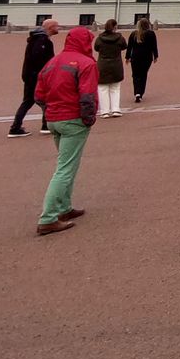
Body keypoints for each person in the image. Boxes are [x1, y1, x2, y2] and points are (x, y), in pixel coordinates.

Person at [33, 25, 97, 235]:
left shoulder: (52, 62)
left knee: (68, 165)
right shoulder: (86, 63)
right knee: (65, 168)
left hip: (54, 119)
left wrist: (50, 111)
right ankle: (48, 217)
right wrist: (88, 119)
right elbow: (87, 95)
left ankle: (64, 207)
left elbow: (39, 95)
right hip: (73, 119)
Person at [8, 18, 59, 136]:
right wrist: (46, 73)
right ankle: (45, 126)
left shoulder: (37, 39)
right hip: (37, 76)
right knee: (45, 100)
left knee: (29, 101)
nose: (58, 28)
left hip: (31, 75)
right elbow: (40, 59)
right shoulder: (42, 41)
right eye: (57, 26)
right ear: (50, 27)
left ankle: (16, 127)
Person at [93, 19, 127, 118]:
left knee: (102, 88)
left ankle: (105, 111)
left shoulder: (100, 39)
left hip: (102, 64)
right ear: (115, 27)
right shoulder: (120, 38)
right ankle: (115, 109)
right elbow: (124, 46)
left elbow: (96, 48)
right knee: (115, 88)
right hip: (116, 64)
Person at [126, 18, 159, 104]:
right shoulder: (151, 34)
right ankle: (140, 93)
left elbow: (129, 47)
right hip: (147, 57)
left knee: (135, 75)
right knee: (143, 75)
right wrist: (155, 56)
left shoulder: (134, 34)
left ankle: (137, 92)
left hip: (135, 57)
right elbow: (154, 46)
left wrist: (127, 57)